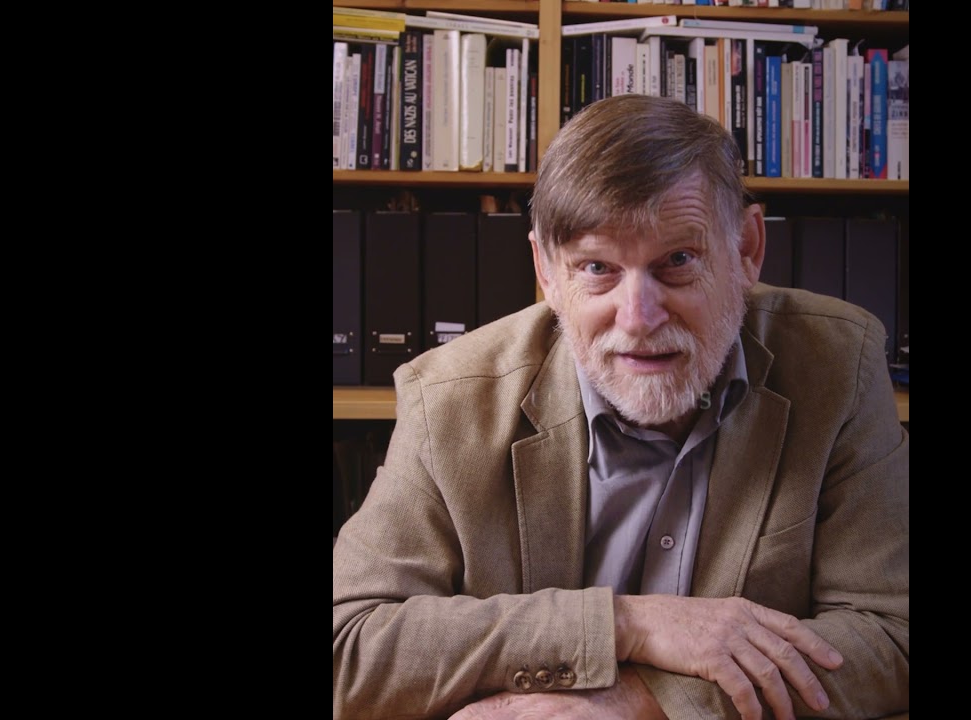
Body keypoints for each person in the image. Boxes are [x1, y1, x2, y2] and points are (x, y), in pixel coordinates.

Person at [332, 94, 909, 720]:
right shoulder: (448, 399)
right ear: (547, 271)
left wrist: (634, 703)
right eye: (597, 268)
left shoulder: (838, 364)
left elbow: (892, 634)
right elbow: (349, 646)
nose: (637, 319)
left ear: (746, 248)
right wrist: (625, 624)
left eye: (678, 261)